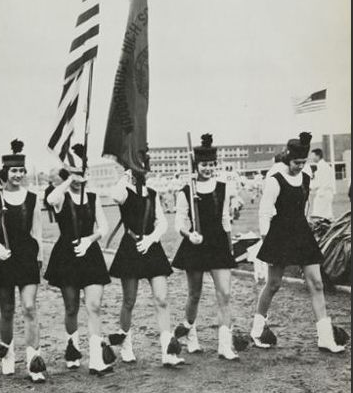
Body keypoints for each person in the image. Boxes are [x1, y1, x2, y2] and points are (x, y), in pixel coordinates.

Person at [250, 132, 346, 354]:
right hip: (280, 233)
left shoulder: (305, 176)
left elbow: (304, 205)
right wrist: (267, 243)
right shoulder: (275, 179)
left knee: (317, 283)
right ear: (287, 159)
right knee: (273, 284)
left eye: (303, 162)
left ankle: (324, 337)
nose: (299, 166)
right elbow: (265, 212)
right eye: (296, 162)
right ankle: (257, 329)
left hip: (301, 232)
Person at [0, 139, 47, 382]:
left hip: (27, 256)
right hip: (3, 258)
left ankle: (34, 362)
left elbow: (37, 232)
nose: (17, 175)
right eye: (13, 171)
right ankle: (7, 352)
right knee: (7, 309)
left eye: (21, 171)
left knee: (29, 307)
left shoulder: (33, 198)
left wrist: (40, 259)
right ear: (4, 173)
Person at [44, 144, 114, 375]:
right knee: (71, 307)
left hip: (90, 254)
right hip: (66, 255)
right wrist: (67, 179)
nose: (78, 178)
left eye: (82, 172)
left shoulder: (93, 197)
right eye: (74, 173)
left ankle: (96, 359)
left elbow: (104, 227)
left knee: (94, 306)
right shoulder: (61, 195)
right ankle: (72, 348)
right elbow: (52, 199)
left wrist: (90, 240)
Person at [109, 159, 184, 368]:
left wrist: (151, 239)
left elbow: (162, 222)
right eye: (137, 168)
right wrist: (124, 175)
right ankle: (126, 345)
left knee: (162, 299)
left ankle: (167, 351)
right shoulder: (124, 190)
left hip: (151, 248)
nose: (142, 172)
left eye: (143, 168)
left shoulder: (152, 193)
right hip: (130, 247)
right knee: (129, 300)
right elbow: (114, 195)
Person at [172, 134, 239, 361]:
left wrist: (229, 247)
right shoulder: (186, 191)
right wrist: (189, 234)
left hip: (218, 244)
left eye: (211, 164)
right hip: (196, 245)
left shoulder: (224, 187)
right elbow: (179, 222)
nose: (208, 168)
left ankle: (224, 345)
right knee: (195, 294)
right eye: (204, 165)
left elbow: (225, 220)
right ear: (196, 165)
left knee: (225, 294)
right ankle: (191, 336)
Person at [310, 149, 336, 220]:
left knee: (319, 216)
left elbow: (318, 182)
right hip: (326, 193)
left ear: (318, 156)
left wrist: (309, 186)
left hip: (323, 193)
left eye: (312, 155)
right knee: (327, 215)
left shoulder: (322, 166)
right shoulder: (323, 165)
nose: (311, 157)